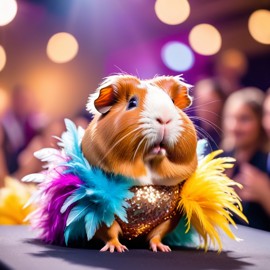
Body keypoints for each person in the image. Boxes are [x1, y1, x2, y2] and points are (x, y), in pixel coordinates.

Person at [222, 87, 270, 231]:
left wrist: (264, 194)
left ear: (260, 122)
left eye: (244, 119)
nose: (234, 126)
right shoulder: (220, 158)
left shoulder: (265, 163)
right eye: (230, 117)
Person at [191, 78, 227, 154]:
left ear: (221, 104)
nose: (205, 109)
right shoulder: (192, 131)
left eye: (209, 104)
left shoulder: (228, 134)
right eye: (200, 103)